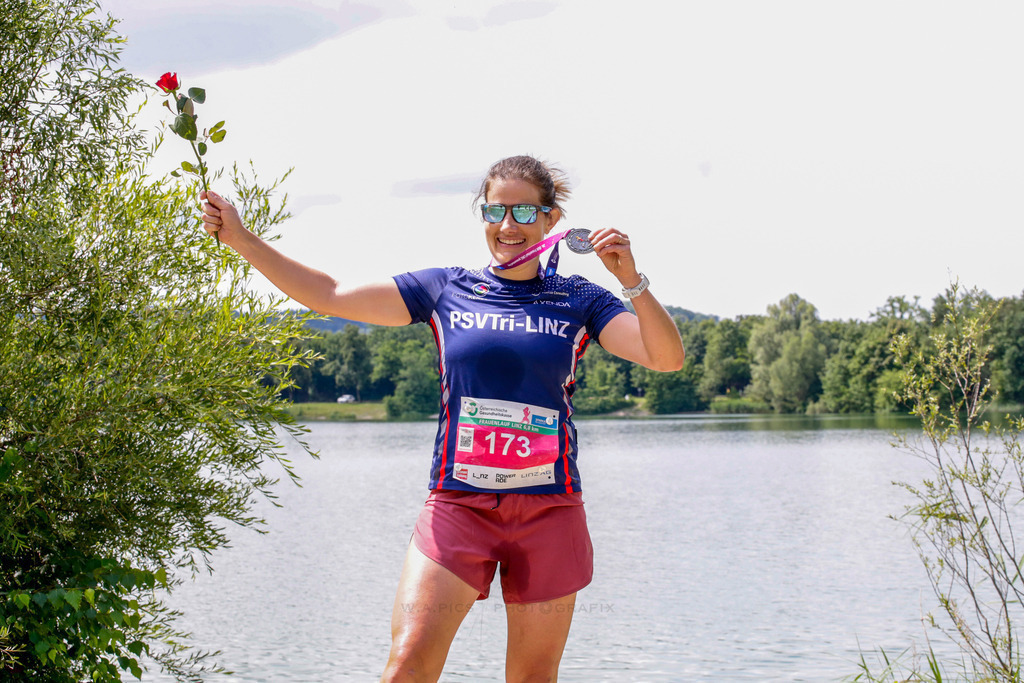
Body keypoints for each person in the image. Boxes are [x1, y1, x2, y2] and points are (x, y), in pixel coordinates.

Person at [200, 155, 685, 682]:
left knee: (531, 679)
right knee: (406, 667)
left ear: (550, 220)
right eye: (494, 211)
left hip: (549, 510)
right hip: (458, 507)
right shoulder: (446, 290)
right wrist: (244, 241)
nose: (507, 226)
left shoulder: (581, 300)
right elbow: (331, 295)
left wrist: (632, 281)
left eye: (524, 213)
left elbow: (665, 358)